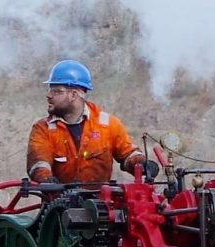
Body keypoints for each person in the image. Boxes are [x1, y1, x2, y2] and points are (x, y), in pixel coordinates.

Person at [27, 59, 144, 187]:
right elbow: (39, 162)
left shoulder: (108, 125)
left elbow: (127, 154)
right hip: (59, 203)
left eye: (56, 91)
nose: (48, 95)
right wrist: (45, 179)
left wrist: (140, 163)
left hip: (101, 203)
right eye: (50, 90)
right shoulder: (43, 129)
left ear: (74, 94)